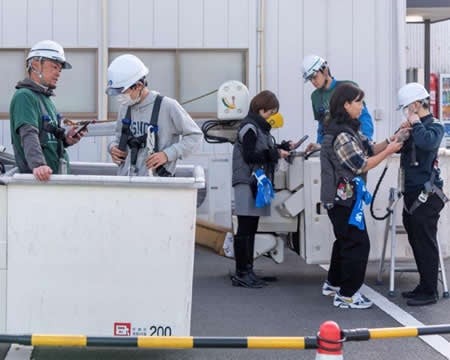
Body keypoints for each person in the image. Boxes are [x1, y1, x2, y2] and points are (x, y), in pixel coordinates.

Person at [320, 83, 403, 309]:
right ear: (346, 105)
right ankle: (347, 295)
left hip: (344, 199)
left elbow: (369, 149)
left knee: (345, 241)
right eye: (358, 102)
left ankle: (334, 284)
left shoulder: (349, 130)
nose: (361, 106)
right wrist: (389, 152)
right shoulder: (341, 136)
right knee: (358, 244)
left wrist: (394, 138)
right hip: (342, 200)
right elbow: (361, 164)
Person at [106, 54, 202, 176]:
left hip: (158, 184)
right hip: (126, 182)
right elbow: (118, 137)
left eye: (122, 92)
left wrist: (167, 154)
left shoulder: (167, 106)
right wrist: (112, 148)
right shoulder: (125, 107)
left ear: (139, 86)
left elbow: (195, 136)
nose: (120, 97)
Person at [231, 90, 291, 288]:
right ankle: (242, 272)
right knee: (246, 228)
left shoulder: (258, 127)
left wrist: (281, 147)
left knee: (250, 227)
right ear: (261, 109)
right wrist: (275, 153)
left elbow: (259, 150)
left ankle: (247, 270)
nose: (272, 116)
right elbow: (250, 155)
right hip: (247, 181)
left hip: (253, 182)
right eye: (270, 112)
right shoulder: (250, 127)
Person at [396, 82, 447, 306]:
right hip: (411, 193)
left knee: (425, 240)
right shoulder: (414, 127)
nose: (407, 112)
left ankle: (430, 291)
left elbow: (428, 143)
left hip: (427, 196)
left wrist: (415, 124)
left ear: (416, 104)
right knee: (415, 238)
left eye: (408, 107)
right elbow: (400, 148)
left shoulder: (434, 126)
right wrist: (401, 134)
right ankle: (423, 284)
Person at [9, 40, 86, 181]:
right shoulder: (25, 96)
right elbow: (28, 133)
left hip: (53, 180)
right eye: (54, 67)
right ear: (35, 65)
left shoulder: (45, 99)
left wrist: (66, 140)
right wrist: (38, 165)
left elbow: (47, 140)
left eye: (59, 69)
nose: (58, 73)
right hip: (40, 183)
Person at [302, 55, 374, 153]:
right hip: (333, 148)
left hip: (351, 143)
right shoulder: (315, 97)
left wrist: (366, 140)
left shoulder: (348, 87)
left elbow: (364, 116)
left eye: (315, 77)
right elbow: (321, 126)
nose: (313, 82)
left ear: (325, 71)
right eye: (310, 79)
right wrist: (320, 145)